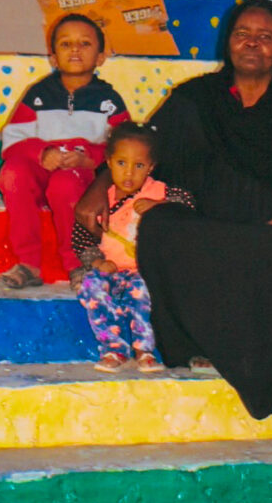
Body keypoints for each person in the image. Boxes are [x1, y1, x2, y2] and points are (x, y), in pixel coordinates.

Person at [76, 0, 272, 419]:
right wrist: (100, 185)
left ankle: (267, 347)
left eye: (265, 37)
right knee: (160, 228)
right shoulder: (194, 99)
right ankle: (197, 342)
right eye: (243, 34)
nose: (252, 44)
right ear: (228, 41)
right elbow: (142, 149)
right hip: (204, 225)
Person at [0, 13, 130, 290]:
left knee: (65, 183)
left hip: (81, 180)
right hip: (41, 173)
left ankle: (77, 264)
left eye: (85, 44)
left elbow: (125, 146)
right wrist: (42, 154)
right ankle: (28, 264)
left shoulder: (108, 101)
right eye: (66, 44)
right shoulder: (38, 95)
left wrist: (89, 158)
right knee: (13, 173)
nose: (75, 49)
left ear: (101, 57)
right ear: (53, 57)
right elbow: (13, 139)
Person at [72, 122, 195, 373]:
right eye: (121, 163)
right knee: (91, 287)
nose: (129, 173)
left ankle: (144, 350)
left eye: (138, 166)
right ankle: (114, 349)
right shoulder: (99, 199)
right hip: (111, 268)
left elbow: (188, 205)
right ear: (108, 161)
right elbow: (81, 239)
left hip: (144, 272)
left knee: (141, 293)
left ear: (150, 167)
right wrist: (97, 263)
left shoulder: (159, 191)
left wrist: (159, 205)